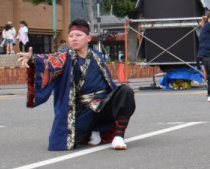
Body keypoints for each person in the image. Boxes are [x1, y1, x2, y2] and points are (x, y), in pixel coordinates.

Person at [20, 19, 135, 151]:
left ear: (88, 38)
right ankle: (93, 131)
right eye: (71, 36)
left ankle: (118, 137)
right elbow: (50, 61)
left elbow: (109, 82)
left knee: (125, 91)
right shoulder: (65, 57)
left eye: (78, 35)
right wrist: (33, 58)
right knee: (66, 143)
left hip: (104, 104)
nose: (74, 39)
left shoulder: (96, 56)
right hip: (84, 110)